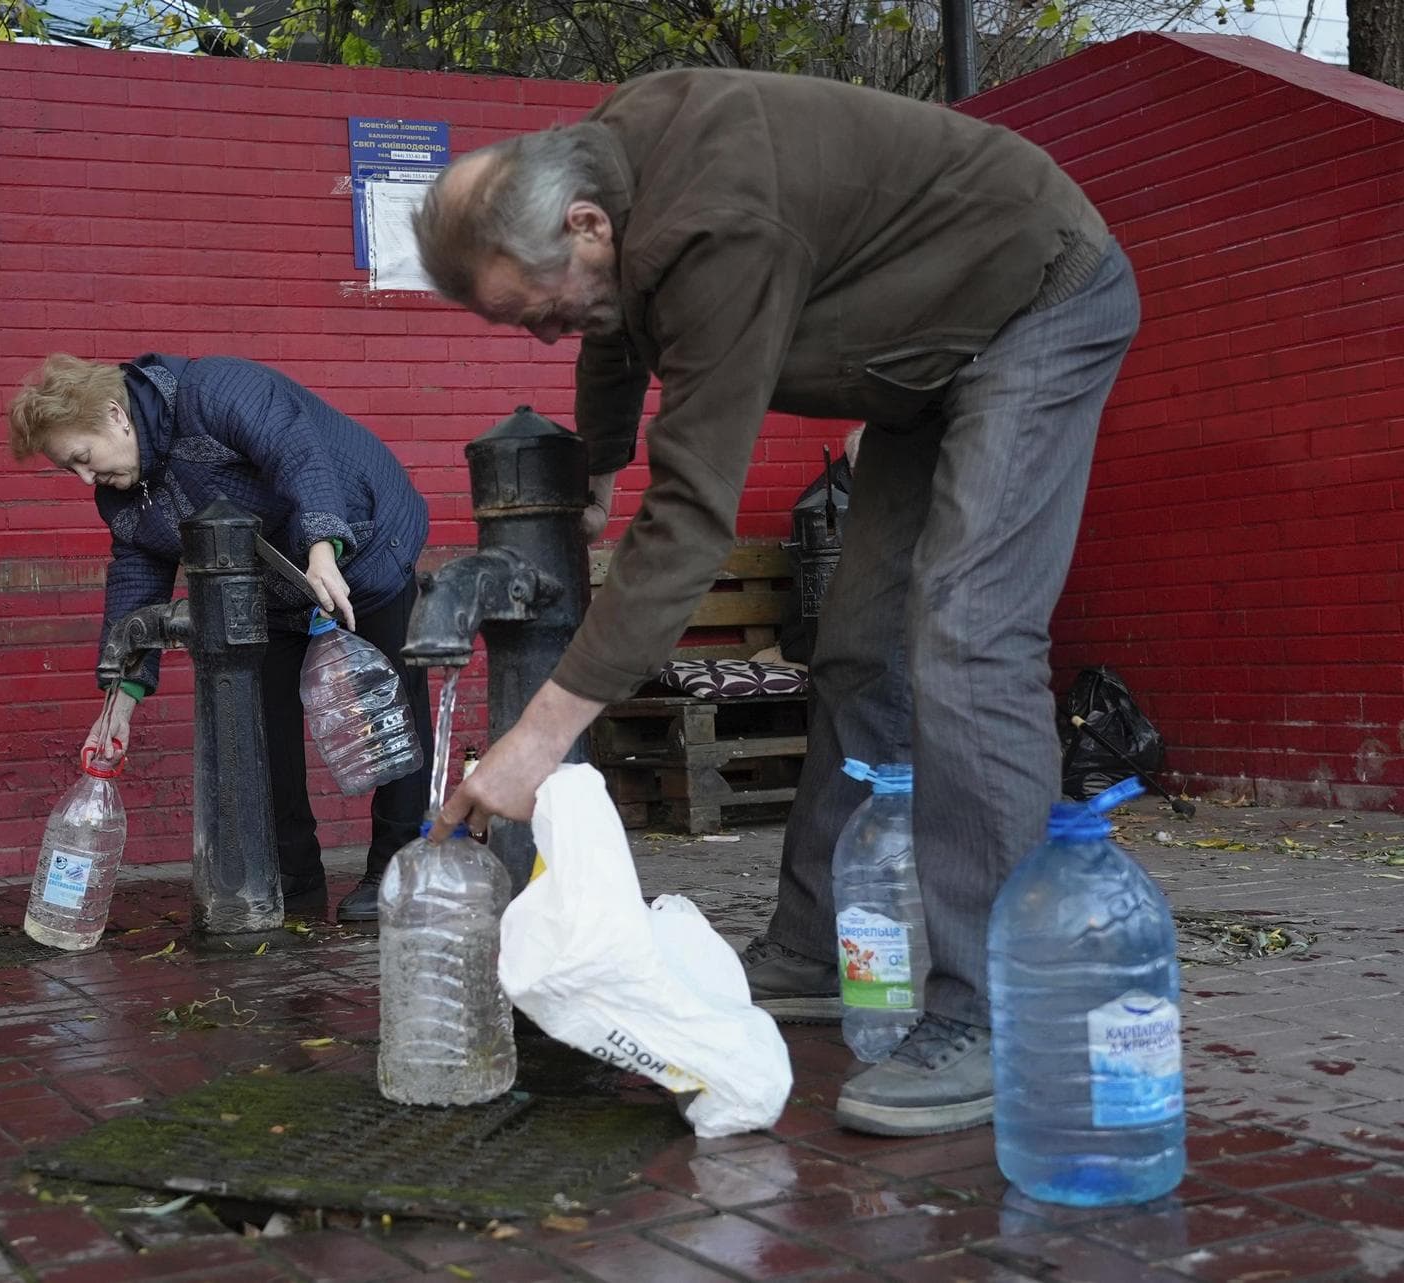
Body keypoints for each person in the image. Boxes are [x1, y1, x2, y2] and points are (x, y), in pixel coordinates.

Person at [413, 68, 1140, 1137]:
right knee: (859, 650)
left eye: (542, 313)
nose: (547, 339)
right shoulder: (610, 172)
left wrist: (540, 734)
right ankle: (817, 943)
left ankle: (996, 1007)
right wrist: (602, 456)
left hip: (1035, 305)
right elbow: (614, 322)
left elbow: (692, 518)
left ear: (584, 225)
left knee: (968, 630)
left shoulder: (714, 223)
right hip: (922, 364)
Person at [6, 354, 434, 922]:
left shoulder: (215, 392)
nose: (86, 479)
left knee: (389, 715)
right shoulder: (126, 496)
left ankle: (396, 869)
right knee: (265, 733)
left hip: (365, 549)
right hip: (272, 592)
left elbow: (295, 450)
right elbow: (137, 582)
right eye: (71, 470)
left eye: (83, 458)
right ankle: (294, 877)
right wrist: (121, 698)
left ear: (116, 415)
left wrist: (324, 545)